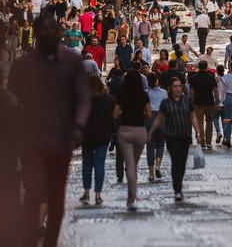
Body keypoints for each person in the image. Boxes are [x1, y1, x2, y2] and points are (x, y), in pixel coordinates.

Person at [8, 14, 90, 246]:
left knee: (56, 202)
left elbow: (83, 97)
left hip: (61, 139)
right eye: (41, 30)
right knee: (33, 195)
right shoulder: (22, 65)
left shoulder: (72, 63)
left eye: (50, 30)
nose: (46, 35)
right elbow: (12, 99)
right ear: (35, 33)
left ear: (58, 32)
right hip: (31, 138)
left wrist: (78, 126)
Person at [147, 77, 202, 201]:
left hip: (185, 136)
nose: (177, 89)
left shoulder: (187, 101)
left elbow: (193, 117)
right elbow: (159, 119)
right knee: (176, 161)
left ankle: (179, 183)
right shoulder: (166, 103)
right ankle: (177, 189)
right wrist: (150, 132)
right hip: (172, 136)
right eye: (175, 86)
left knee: (182, 163)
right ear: (170, 89)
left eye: (179, 86)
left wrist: (198, 133)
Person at [113, 70, 151, 211]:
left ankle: (132, 197)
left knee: (129, 164)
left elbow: (115, 114)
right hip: (140, 131)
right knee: (134, 164)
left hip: (125, 130)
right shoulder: (143, 95)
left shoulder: (122, 95)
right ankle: (132, 196)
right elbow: (148, 113)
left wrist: (123, 116)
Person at [79, 76, 115, 205]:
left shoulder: (84, 100)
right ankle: (98, 194)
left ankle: (86, 192)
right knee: (99, 164)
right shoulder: (109, 100)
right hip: (103, 136)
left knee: (87, 164)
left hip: (87, 136)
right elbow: (113, 118)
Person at [189, 61, 220, 149]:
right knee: (209, 121)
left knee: (199, 122)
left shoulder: (194, 78)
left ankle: (202, 142)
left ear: (198, 67)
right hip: (209, 102)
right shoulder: (211, 77)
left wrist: (191, 100)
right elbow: (215, 91)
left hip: (198, 102)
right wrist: (217, 102)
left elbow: (191, 91)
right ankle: (209, 142)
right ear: (207, 67)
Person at [145, 73, 168, 181]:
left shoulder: (146, 93)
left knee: (150, 145)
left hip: (149, 118)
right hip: (161, 118)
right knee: (160, 144)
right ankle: (158, 165)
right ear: (157, 81)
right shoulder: (163, 92)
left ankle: (151, 173)